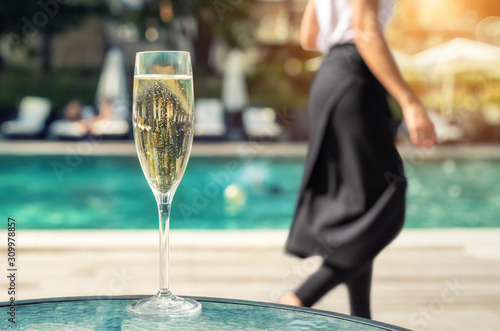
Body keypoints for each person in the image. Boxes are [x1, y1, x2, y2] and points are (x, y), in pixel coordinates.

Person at [279, 0, 436, 319]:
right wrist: (410, 102)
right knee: (387, 199)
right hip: (355, 78)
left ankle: (361, 320)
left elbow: (309, 36)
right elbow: (365, 30)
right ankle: (299, 298)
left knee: (362, 202)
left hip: (330, 77)